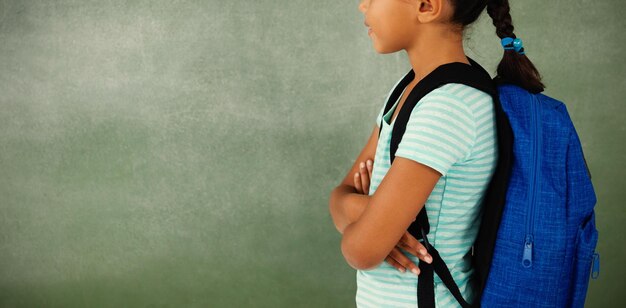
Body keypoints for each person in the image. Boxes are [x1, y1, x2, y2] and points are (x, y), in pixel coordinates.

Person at [328, 0, 545, 306]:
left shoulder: (446, 107)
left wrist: (371, 225)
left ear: (427, 6)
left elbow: (361, 251)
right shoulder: (409, 89)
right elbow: (339, 197)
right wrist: (372, 217)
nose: (363, 6)